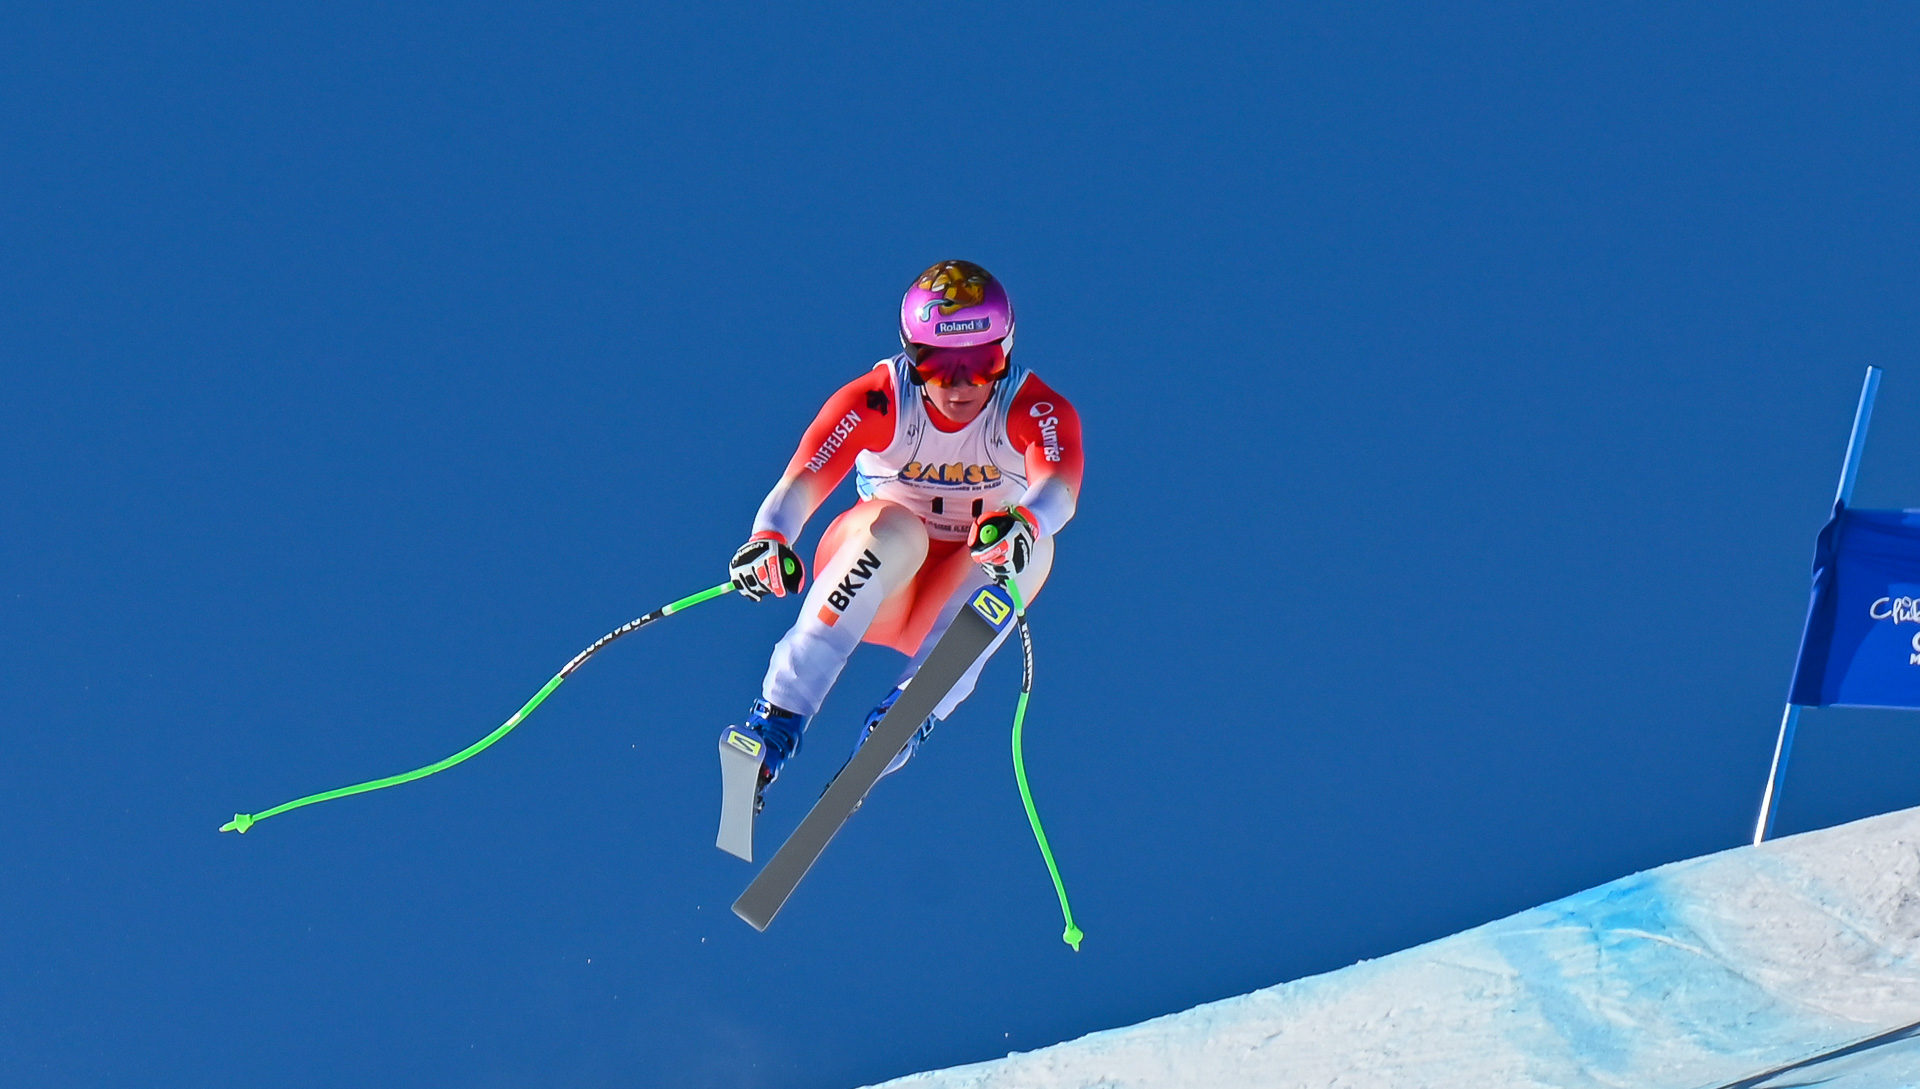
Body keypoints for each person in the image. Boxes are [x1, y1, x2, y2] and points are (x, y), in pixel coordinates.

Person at [723, 259, 1085, 804]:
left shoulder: (1032, 409)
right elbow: (803, 479)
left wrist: (1027, 522)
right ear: (911, 357)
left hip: (959, 588)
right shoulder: (881, 399)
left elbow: (1059, 486)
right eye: (938, 365)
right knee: (897, 529)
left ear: (1006, 352)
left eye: (981, 363)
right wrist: (770, 538)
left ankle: (908, 710)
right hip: (879, 581)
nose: (960, 386)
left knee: (1033, 550)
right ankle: (774, 722)